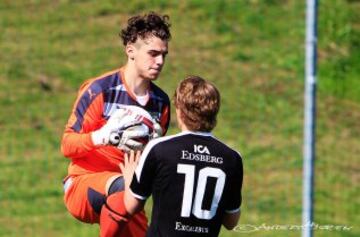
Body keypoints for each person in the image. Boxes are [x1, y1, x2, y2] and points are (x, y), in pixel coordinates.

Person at [60, 12, 171, 237]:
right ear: (131, 50)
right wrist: (103, 135)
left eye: (163, 55)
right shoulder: (99, 90)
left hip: (130, 196)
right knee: (128, 191)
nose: (159, 61)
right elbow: (67, 146)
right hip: (83, 184)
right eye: (153, 54)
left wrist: (156, 149)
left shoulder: (161, 104)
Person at [120, 76, 243, 237]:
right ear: (215, 111)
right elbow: (231, 222)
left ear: (179, 110)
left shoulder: (159, 149)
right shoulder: (232, 158)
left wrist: (130, 177)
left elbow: (131, 206)